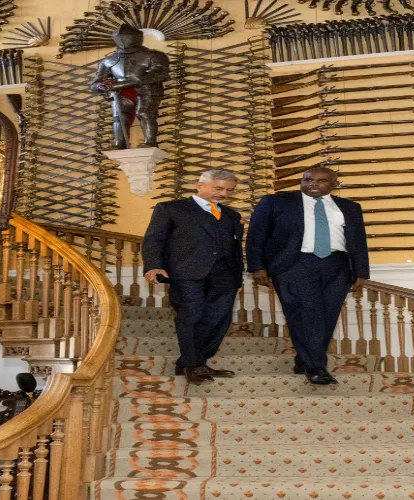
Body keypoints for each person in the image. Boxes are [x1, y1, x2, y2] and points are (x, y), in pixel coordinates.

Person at [246, 167, 370, 385]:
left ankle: (305, 359)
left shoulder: (350, 207)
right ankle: (316, 366)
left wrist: (361, 272)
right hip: (295, 264)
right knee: (307, 313)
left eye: (321, 181)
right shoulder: (276, 202)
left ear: (334, 184)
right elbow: (257, 236)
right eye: (308, 180)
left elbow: (358, 241)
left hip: (337, 265)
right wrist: (258, 267)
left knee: (327, 316)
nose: (313, 184)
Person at [142, 169, 243, 383]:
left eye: (229, 190)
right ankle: (192, 364)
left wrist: (238, 277)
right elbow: (154, 239)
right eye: (218, 188)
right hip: (186, 273)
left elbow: (234, 248)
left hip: (225, 276)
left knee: (218, 320)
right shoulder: (170, 209)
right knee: (191, 315)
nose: (224, 194)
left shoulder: (232, 215)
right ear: (200, 186)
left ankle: (195, 361)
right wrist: (154, 266)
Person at [89, 24, 170, 149]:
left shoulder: (153, 55)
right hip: (120, 92)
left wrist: (124, 83)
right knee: (119, 117)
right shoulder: (108, 61)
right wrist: (101, 86)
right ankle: (119, 144)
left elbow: (159, 74)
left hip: (147, 90)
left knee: (145, 113)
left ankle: (150, 142)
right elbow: (95, 83)